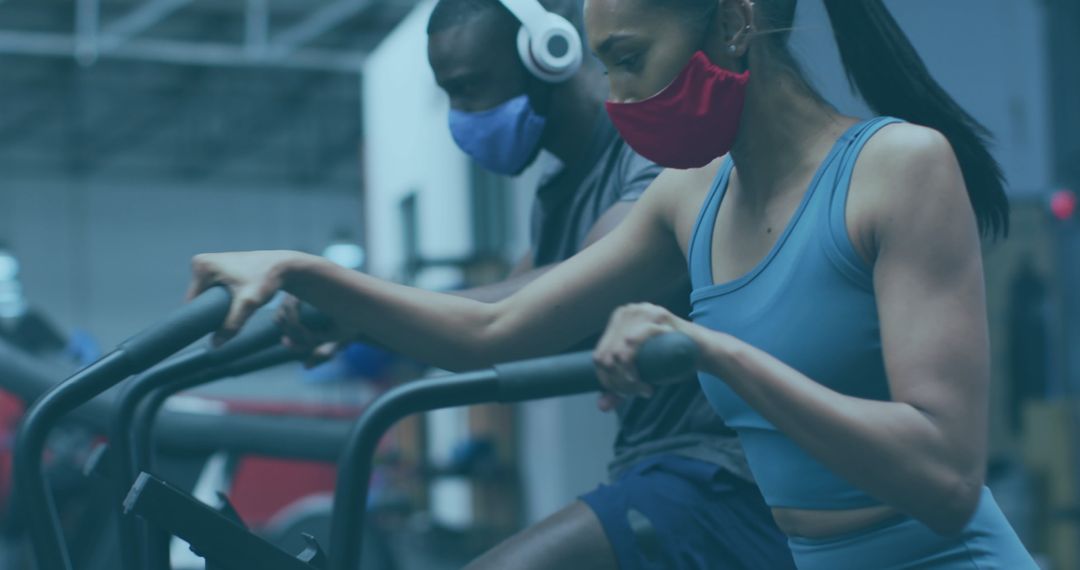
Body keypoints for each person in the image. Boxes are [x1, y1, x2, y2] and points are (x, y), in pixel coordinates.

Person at [187, 0, 1039, 567]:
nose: (620, 99)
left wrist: (718, 353)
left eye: (631, 60)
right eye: (605, 65)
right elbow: (493, 328)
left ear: (736, 22)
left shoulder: (898, 168)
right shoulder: (688, 196)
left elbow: (946, 475)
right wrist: (309, 273)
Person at [301, 1, 794, 568]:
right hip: (653, 463)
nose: (462, 116)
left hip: (725, 470)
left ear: (550, 58)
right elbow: (505, 331)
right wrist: (362, 320)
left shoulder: (655, 152)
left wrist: (348, 299)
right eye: (451, 96)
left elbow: (518, 315)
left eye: (471, 88)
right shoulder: (557, 193)